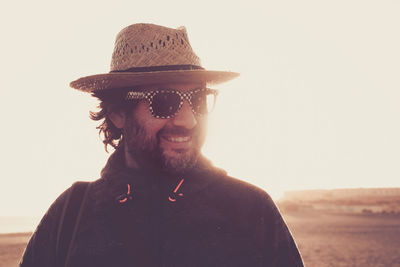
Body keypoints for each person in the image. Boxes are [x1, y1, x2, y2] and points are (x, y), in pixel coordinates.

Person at [20, 23, 304, 267]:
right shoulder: (70, 214)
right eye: (164, 101)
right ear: (118, 112)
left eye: (198, 99)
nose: (189, 120)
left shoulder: (252, 209)